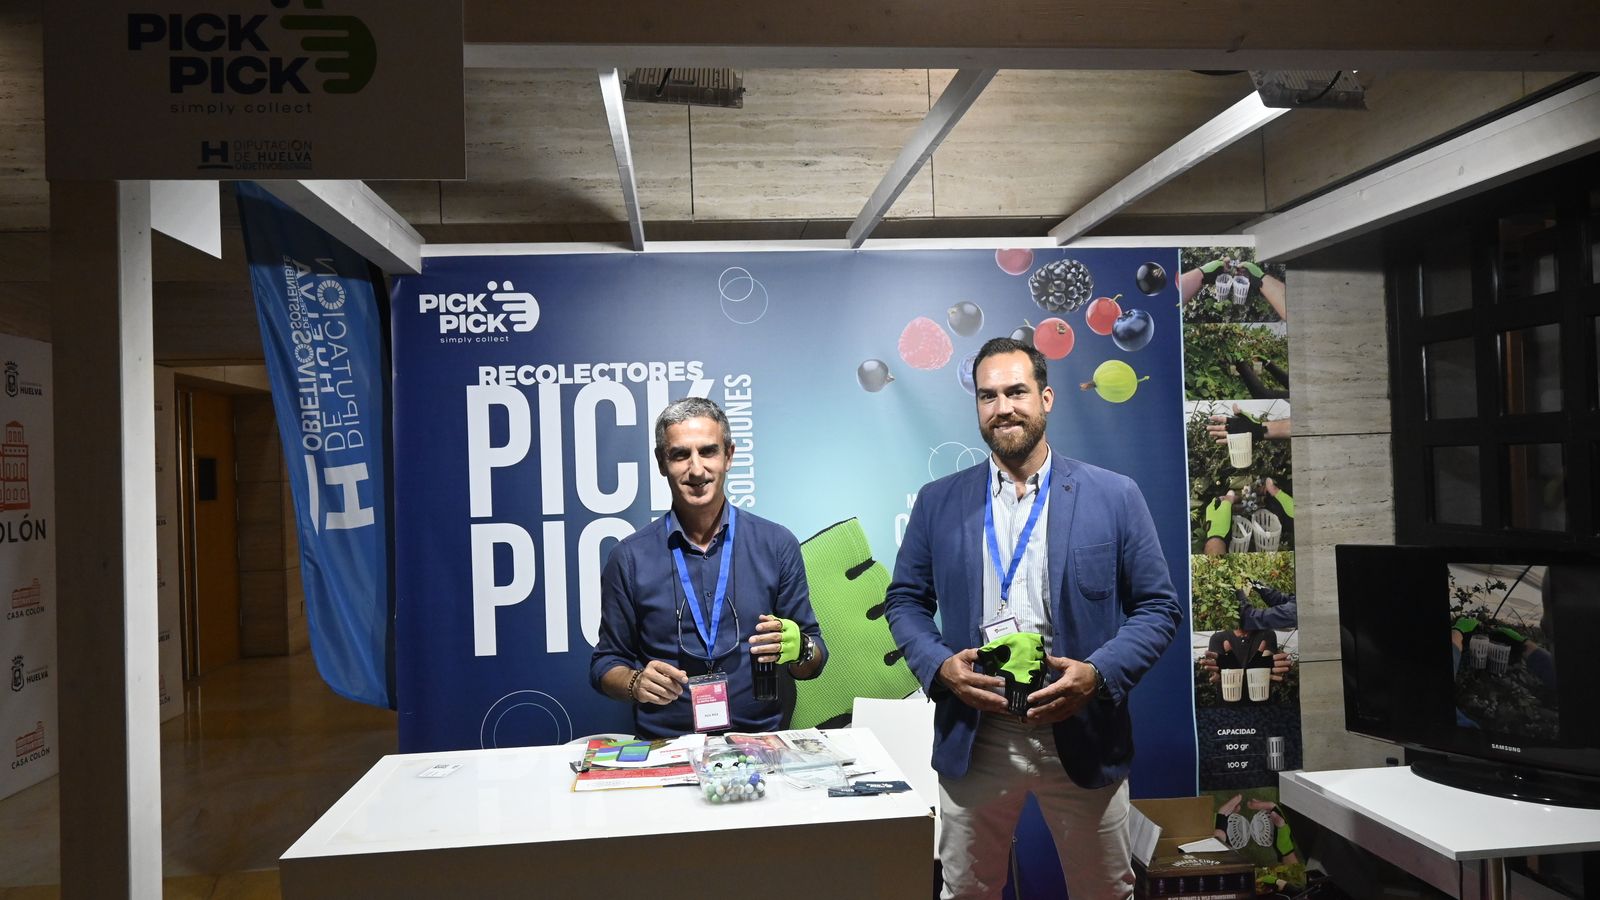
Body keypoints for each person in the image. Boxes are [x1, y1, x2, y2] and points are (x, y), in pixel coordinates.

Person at [885, 337, 1182, 900]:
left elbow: (1158, 607)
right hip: (978, 731)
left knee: (1105, 893)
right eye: (988, 395)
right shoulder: (937, 502)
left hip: (1081, 724)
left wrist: (1096, 675)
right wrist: (941, 667)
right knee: (966, 891)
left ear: (1045, 397)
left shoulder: (1114, 496)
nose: (1003, 407)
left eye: (1017, 391)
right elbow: (904, 601)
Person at [590, 397, 826, 738]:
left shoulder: (777, 544)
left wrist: (801, 647)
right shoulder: (628, 558)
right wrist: (635, 683)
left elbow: (813, 662)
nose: (696, 469)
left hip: (760, 744)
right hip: (668, 749)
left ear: (728, 456)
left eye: (708, 452)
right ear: (661, 462)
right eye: (681, 454)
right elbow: (604, 665)